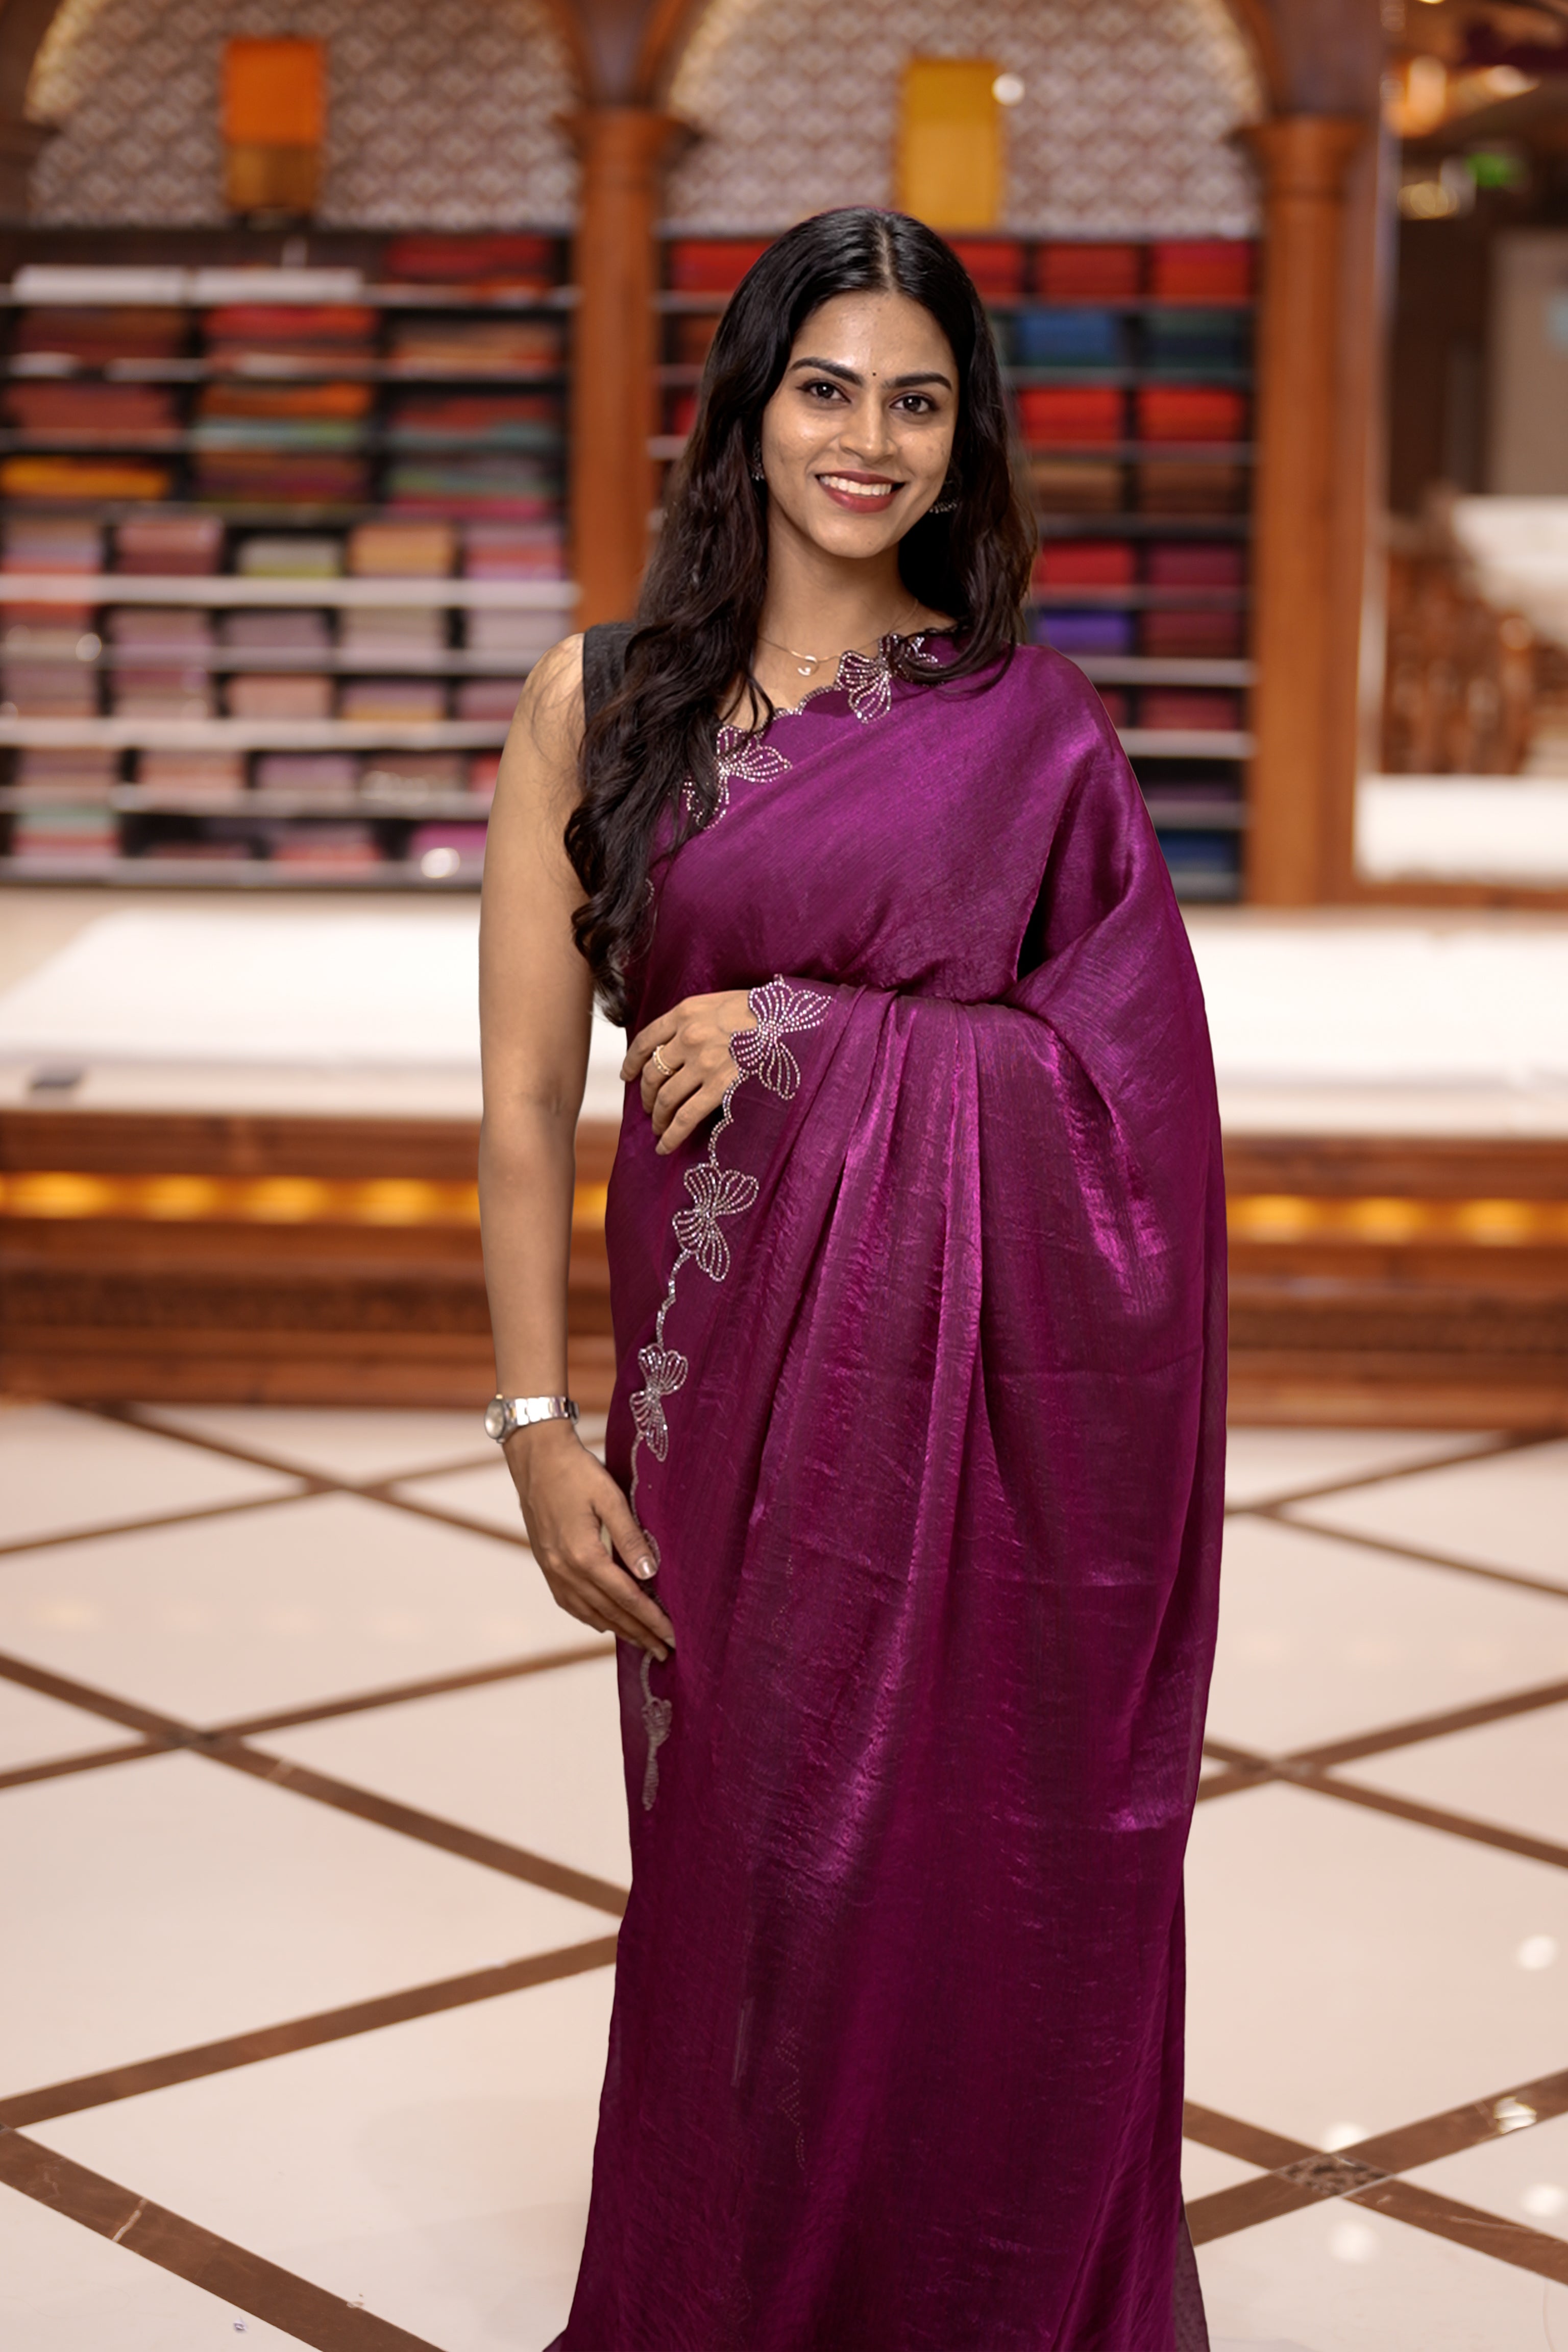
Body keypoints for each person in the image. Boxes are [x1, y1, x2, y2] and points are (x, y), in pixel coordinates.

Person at [478, 206, 1224, 2352]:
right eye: (826, 389)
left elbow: (1136, 1105)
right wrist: (535, 1432)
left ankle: (954, 2281)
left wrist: (823, 1034)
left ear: (964, 434)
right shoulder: (602, 702)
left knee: (954, 1847)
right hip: (715, 1381)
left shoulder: (1029, 726)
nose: (867, 442)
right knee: (755, 1849)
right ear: (750, 405)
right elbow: (525, 1104)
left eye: (917, 400)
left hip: (964, 1398)